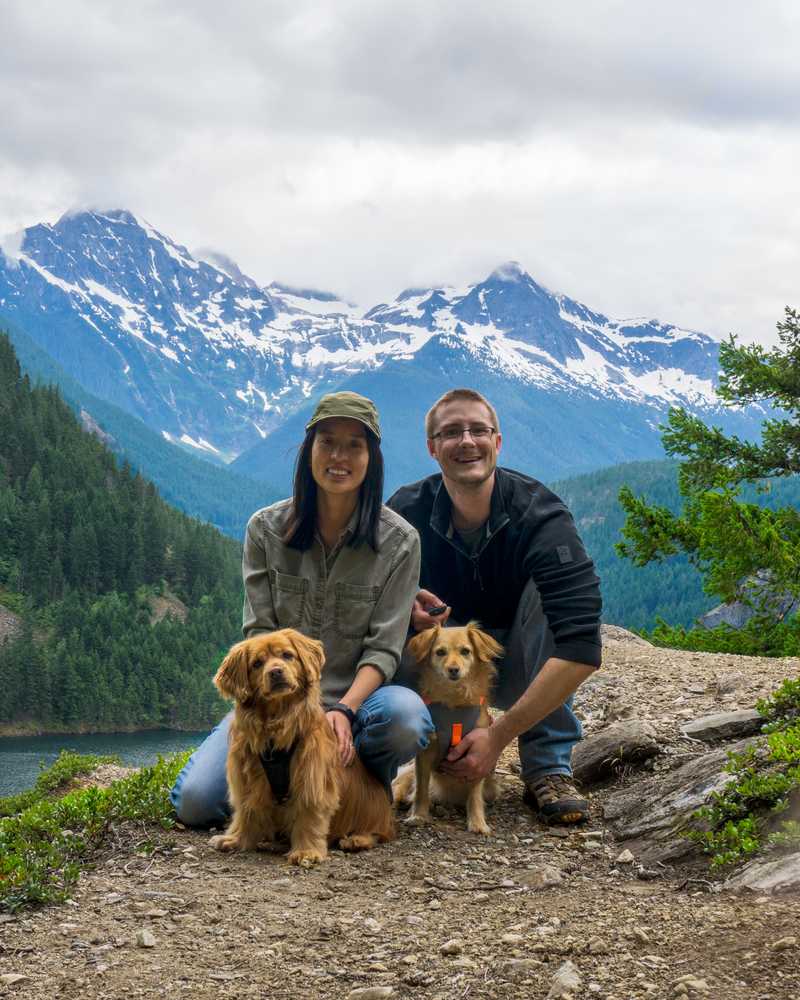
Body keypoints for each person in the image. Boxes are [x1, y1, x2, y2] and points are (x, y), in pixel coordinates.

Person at [171, 391, 431, 826]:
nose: (339, 456)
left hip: (360, 703)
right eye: (327, 441)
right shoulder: (265, 530)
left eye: (354, 445)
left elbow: (384, 650)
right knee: (196, 803)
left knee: (406, 718)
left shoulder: (401, 542)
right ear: (308, 450)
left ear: (372, 459)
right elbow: (258, 632)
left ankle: (360, 788)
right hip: (278, 704)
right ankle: (296, 794)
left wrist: (343, 711)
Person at [387, 388, 602, 824]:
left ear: (497, 442)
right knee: (382, 610)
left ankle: (547, 768)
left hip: (520, 665)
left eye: (478, 430)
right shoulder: (404, 512)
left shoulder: (541, 516)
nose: (466, 441)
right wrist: (404, 602)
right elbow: (358, 598)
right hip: (434, 672)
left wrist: (497, 737)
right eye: (450, 433)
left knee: (550, 599)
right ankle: (388, 761)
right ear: (432, 448)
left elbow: (581, 645)